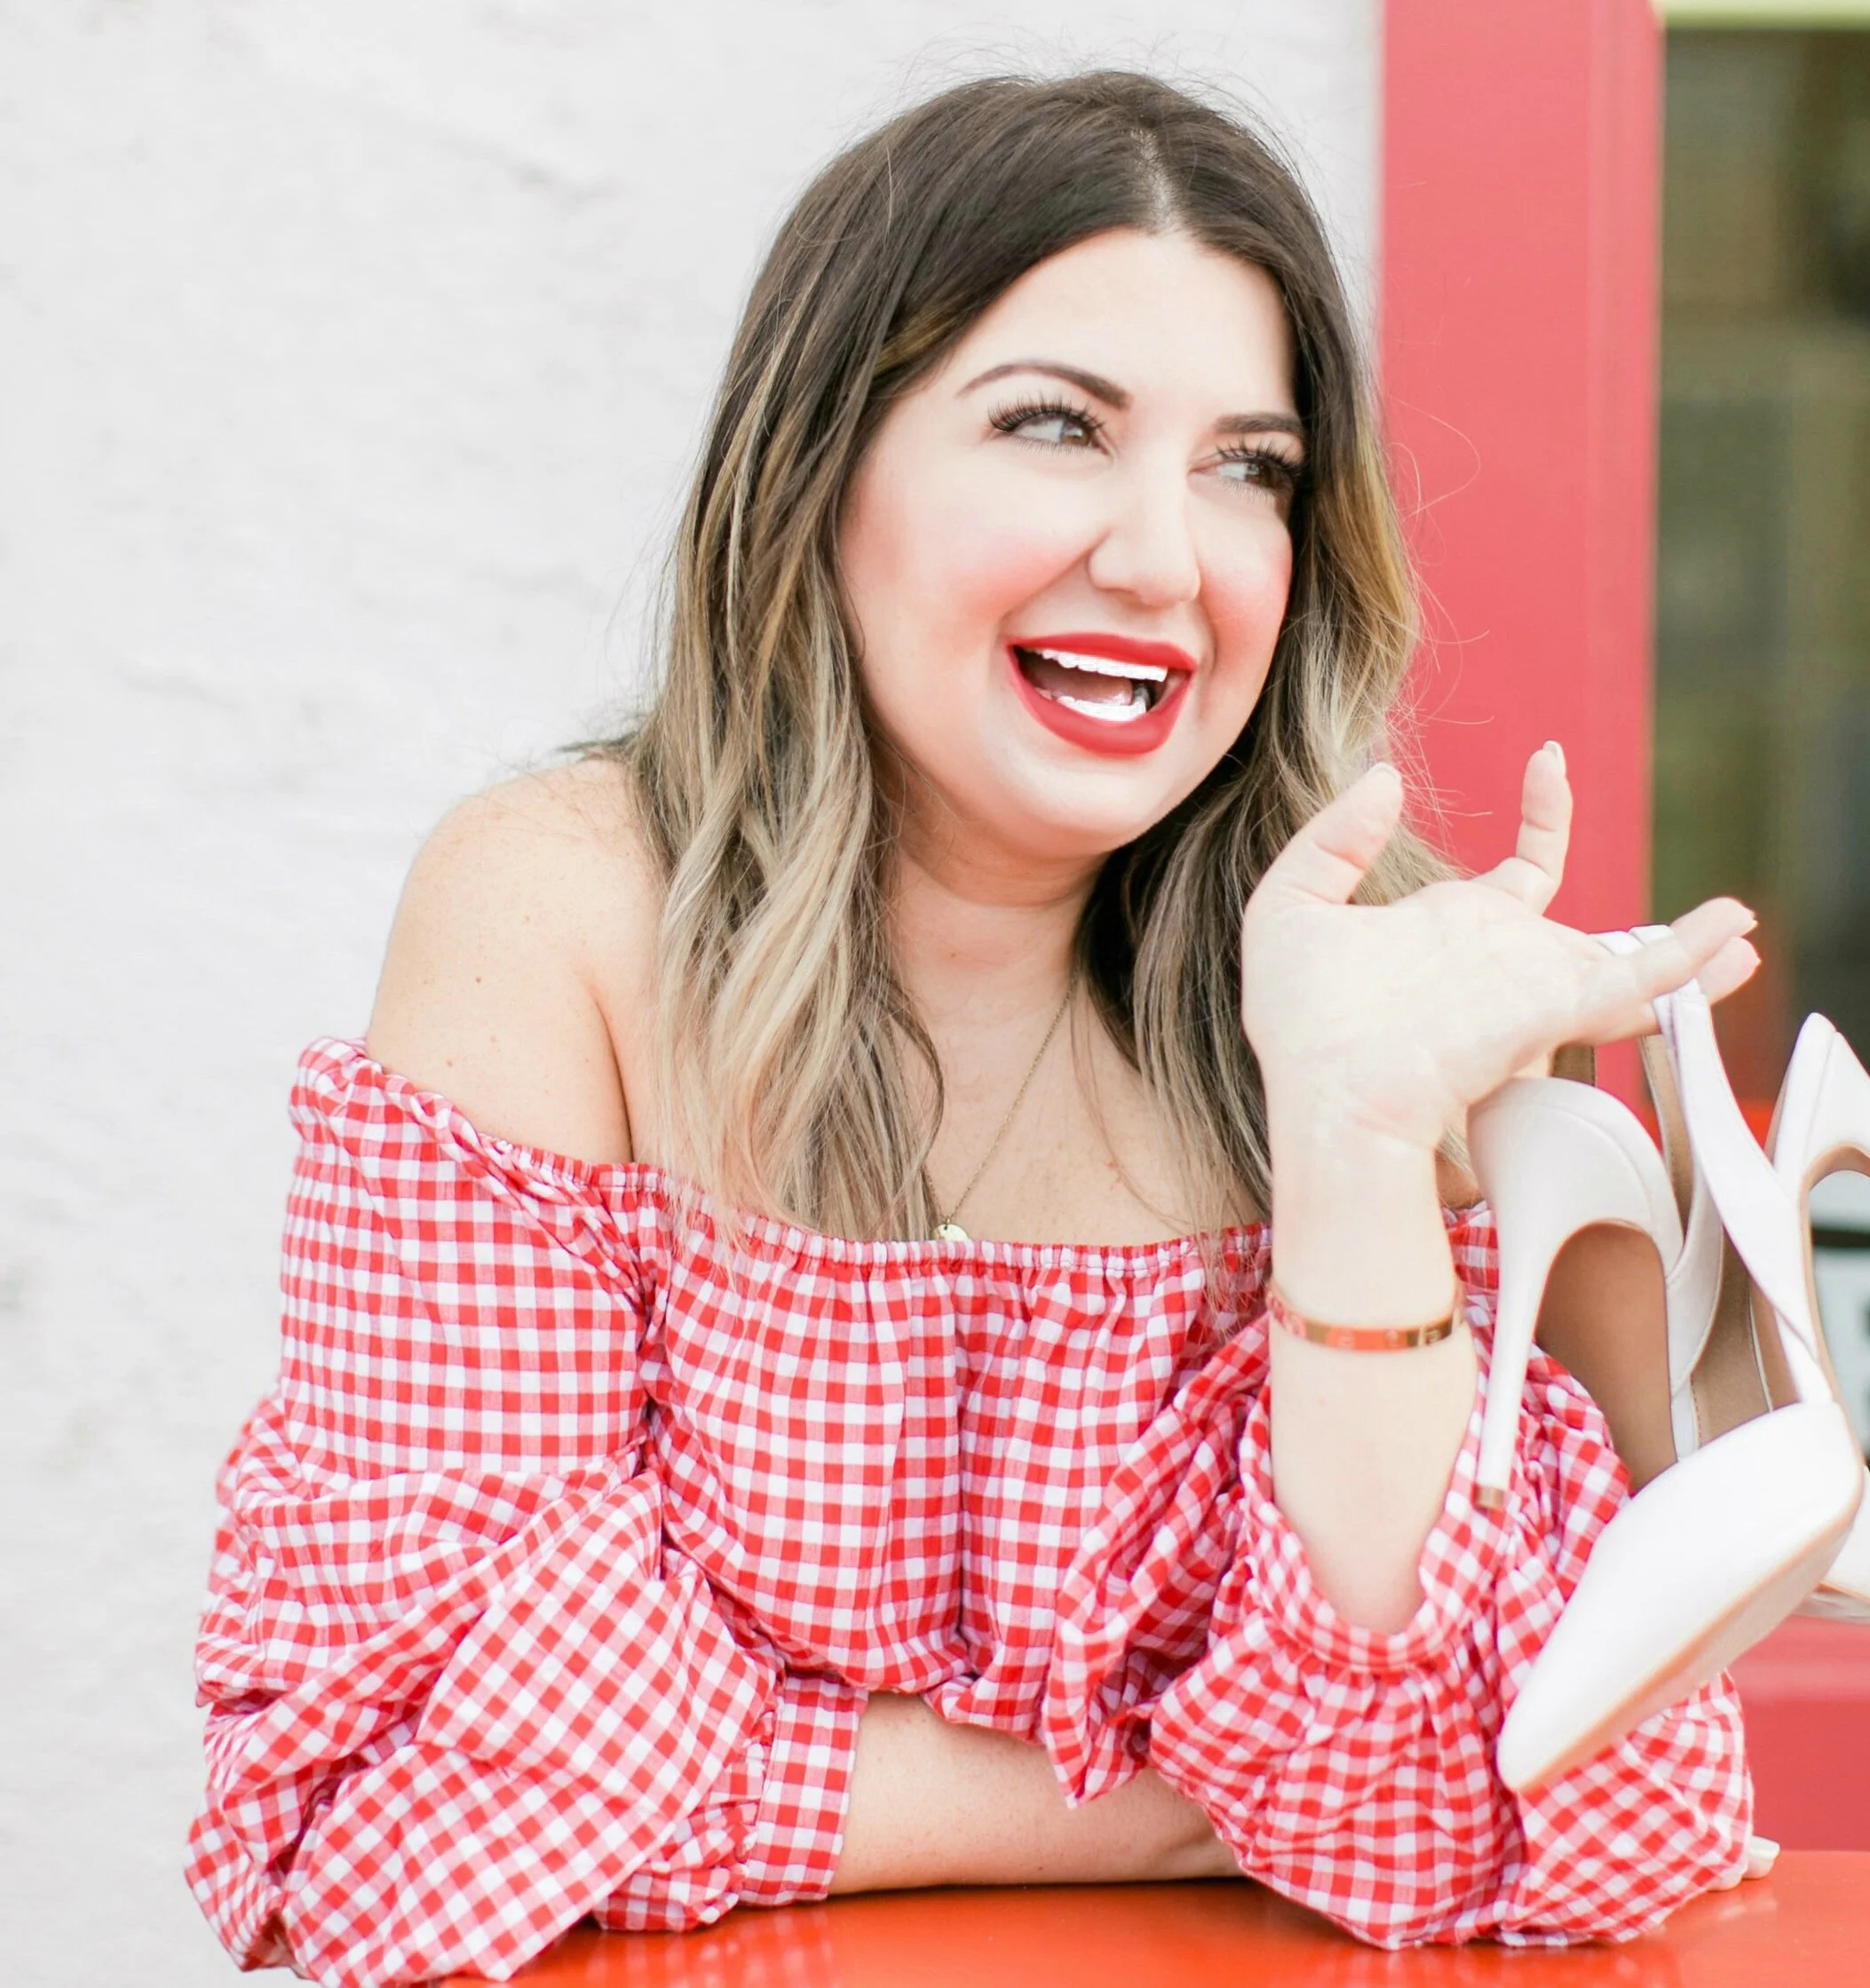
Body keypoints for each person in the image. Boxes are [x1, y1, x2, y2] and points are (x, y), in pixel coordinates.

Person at [186, 71, 1763, 1988]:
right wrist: (1192, 1796)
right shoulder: (562, 913)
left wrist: (1351, 1153)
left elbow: (1580, 1796)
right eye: (1054, 429)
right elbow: (374, 1794)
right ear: (819, 467)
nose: (1167, 561)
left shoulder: (1387, 997)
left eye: (1248, 467)